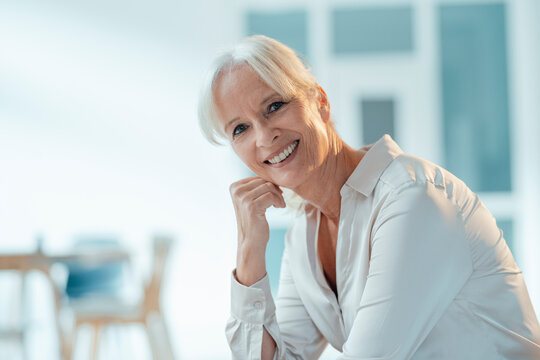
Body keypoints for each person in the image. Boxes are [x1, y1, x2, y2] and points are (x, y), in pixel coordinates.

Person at [198, 35, 540, 359]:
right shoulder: (304, 233)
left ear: (320, 102)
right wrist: (249, 253)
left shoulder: (411, 198)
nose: (264, 136)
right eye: (240, 129)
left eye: (274, 105)